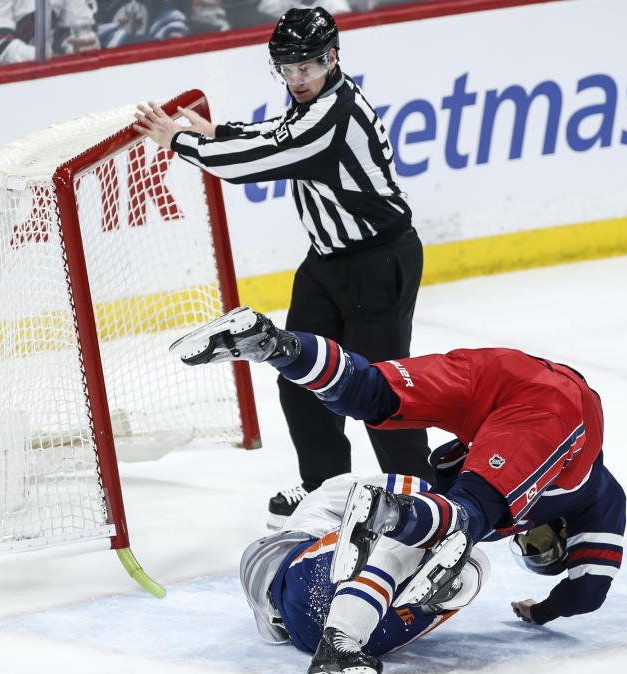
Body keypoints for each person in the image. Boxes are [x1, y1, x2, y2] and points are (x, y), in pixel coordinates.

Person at [134, 6, 432, 530]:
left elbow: (258, 162)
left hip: (378, 263)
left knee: (381, 389)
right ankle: (325, 489)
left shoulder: (337, 114)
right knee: (299, 377)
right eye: (286, 69)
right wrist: (221, 130)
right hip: (325, 263)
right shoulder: (312, 100)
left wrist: (179, 141)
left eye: (306, 68)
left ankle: (419, 503)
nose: (296, 80)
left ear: (332, 59)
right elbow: (277, 133)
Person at [170, 305, 626, 630]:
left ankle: (274, 344)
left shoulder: (532, 490)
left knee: (370, 393)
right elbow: (588, 593)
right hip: (560, 408)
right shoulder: (600, 497)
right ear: (566, 533)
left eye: (530, 553)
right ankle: (385, 512)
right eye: (543, 549)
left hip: (499, 371)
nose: (529, 541)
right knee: (472, 516)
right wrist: (544, 612)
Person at [240, 471, 491, 674]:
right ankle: (446, 589)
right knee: (456, 551)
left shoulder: (315, 506)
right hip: (379, 630)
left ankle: (340, 642)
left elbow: (274, 634)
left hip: (315, 629)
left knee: (456, 548)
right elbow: (402, 502)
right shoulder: (328, 499)